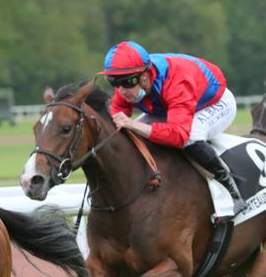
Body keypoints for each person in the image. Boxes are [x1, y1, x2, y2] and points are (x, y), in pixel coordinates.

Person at [99, 40, 246, 215]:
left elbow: (179, 136)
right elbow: (117, 113)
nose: (121, 90)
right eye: (114, 83)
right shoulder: (130, 81)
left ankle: (232, 188)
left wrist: (133, 124)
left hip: (214, 102)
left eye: (127, 82)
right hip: (170, 105)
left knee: (191, 136)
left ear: (145, 76)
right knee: (132, 134)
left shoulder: (178, 82)